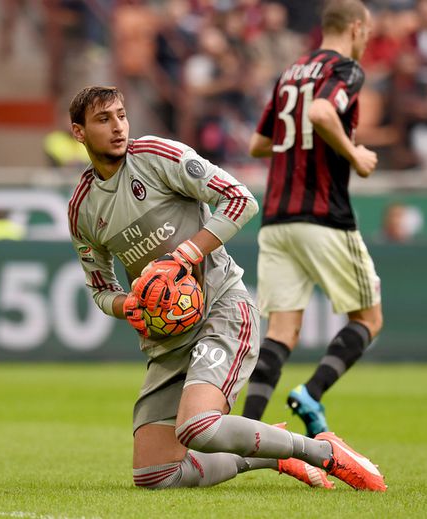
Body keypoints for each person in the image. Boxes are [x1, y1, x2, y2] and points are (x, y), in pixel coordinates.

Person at [67, 85, 386, 491]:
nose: (118, 127)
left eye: (121, 115)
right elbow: (99, 288)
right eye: (103, 119)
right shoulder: (83, 207)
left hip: (221, 309)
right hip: (167, 339)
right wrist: (125, 303)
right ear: (78, 133)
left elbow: (240, 199)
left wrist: (183, 255)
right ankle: (273, 458)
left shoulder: (156, 157)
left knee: (198, 427)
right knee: (155, 476)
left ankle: (323, 452)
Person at [243, 0, 384, 439]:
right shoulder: (345, 69)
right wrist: (354, 153)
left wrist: (296, 142)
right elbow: (322, 113)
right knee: (368, 319)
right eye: (368, 34)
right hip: (323, 214)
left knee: (282, 331)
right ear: (357, 28)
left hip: (277, 218)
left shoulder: (291, 72)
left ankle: (242, 432)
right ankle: (312, 393)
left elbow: (257, 144)